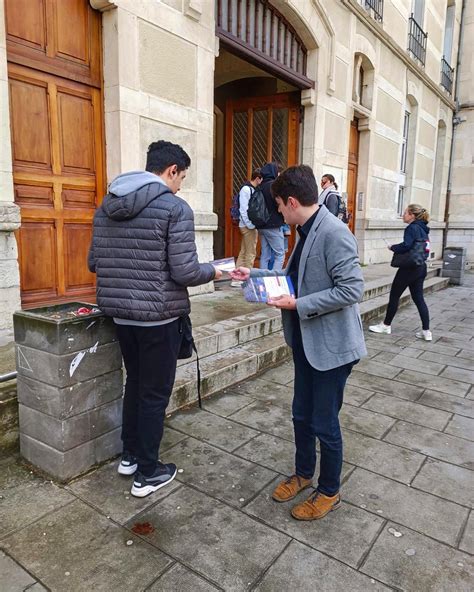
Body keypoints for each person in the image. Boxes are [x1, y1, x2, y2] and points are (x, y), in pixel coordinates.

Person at [230, 165, 366, 521]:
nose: (276, 211)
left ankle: (329, 491)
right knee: (301, 416)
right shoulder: (306, 230)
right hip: (306, 343)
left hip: (332, 348)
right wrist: (254, 273)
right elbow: (290, 278)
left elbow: (352, 290)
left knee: (325, 422)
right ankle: (304, 474)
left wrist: (299, 304)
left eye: (278, 204)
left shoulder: (334, 233)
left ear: (291, 202)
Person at [88, 140, 222, 498]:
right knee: (154, 394)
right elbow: (185, 271)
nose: (181, 184)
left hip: (121, 316)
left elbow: (93, 263)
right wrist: (217, 272)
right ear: (171, 171)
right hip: (159, 319)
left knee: (135, 383)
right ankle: (147, 472)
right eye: (182, 177)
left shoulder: (107, 206)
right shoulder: (174, 208)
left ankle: (130, 455)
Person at [369, 204, 432, 340]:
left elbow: (407, 246)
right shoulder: (423, 228)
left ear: (412, 216)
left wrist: (393, 247)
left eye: (405, 213)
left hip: (408, 269)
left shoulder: (412, 227)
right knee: (419, 299)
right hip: (421, 267)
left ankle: (386, 325)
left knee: (394, 296)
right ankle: (426, 331)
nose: (403, 215)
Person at [231, 169, 263, 287]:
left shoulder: (249, 189)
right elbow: (243, 210)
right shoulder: (246, 189)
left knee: (244, 251)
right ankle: (247, 280)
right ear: (258, 178)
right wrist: (250, 225)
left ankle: (236, 278)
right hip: (247, 226)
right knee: (250, 252)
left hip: (246, 225)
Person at [258, 162, 285, 271]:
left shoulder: (260, 186)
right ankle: (274, 281)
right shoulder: (274, 186)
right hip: (273, 224)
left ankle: (262, 280)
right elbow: (279, 203)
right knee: (280, 254)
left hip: (261, 225)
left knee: (265, 254)